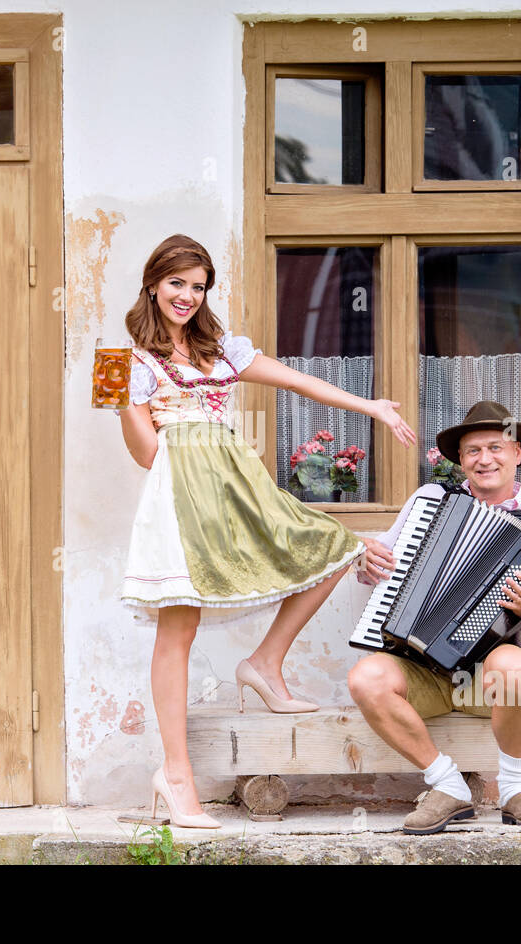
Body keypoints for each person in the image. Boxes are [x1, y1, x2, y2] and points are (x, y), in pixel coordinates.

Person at [116, 234, 417, 828]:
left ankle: (264, 663)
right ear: (153, 283)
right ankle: (176, 777)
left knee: (331, 548)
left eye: (198, 286)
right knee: (178, 628)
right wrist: (128, 406)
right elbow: (146, 455)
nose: (187, 296)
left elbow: (298, 381)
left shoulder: (223, 349)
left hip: (237, 484)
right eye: (177, 282)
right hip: (179, 496)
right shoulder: (119, 363)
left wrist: (372, 407)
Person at [347, 400, 521, 834]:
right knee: (365, 677)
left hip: (482, 684)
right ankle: (447, 786)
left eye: (495, 448)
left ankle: (514, 790)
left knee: (514, 665)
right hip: (422, 671)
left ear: (517, 454)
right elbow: (380, 568)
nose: (484, 459)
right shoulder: (431, 500)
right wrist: (365, 563)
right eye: (472, 452)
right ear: (461, 460)